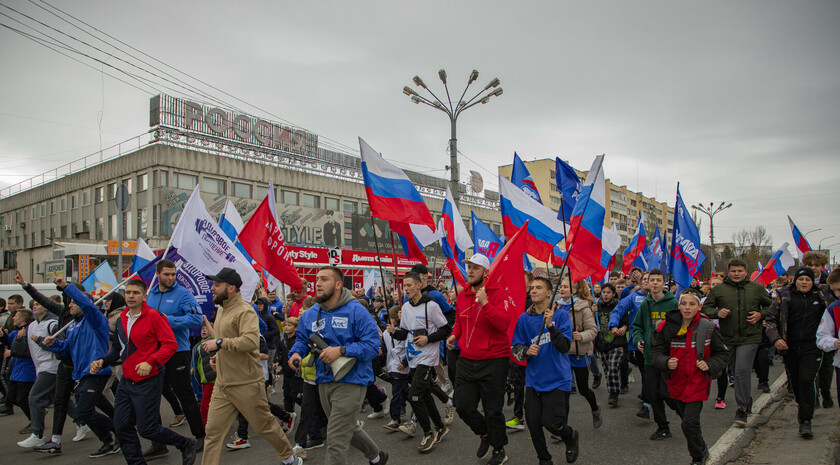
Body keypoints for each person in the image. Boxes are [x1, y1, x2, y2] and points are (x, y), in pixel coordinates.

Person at [195, 268, 300, 465]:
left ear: (231, 288)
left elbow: (250, 342)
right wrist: (219, 356)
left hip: (246, 383)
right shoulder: (222, 310)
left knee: (265, 426)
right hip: (223, 384)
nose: (212, 288)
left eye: (217, 285)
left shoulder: (245, 311)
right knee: (213, 433)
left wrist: (219, 344)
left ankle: (289, 457)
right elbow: (227, 343)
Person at [91, 278, 197, 465]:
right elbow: (118, 348)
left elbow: (170, 344)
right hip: (127, 380)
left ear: (145, 296)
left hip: (149, 379)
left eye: (136, 293)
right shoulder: (123, 317)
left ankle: (185, 443)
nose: (131, 296)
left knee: (147, 429)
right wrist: (102, 360)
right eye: (128, 293)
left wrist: (151, 361)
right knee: (121, 425)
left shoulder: (155, 317)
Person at [288, 266, 387, 465]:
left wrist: (341, 350)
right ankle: (377, 457)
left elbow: (372, 346)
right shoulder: (310, 314)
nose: (317, 283)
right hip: (323, 380)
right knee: (346, 427)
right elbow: (301, 339)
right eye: (317, 279)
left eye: (324, 279)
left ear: (339, 285)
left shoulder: (356, 311)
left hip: (352, 379)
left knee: (335, 437)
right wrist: (296, 353)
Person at [35, 277, 118, 456]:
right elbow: (66, 348)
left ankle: (120, 430)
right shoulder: (74, 326)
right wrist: (51, 343)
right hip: (81, 374)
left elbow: (87, 305)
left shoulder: (95, 320)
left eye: (73, 302)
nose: (69, 306)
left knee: (84, 412)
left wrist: (66, 287)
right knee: (86, 412)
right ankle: (109, 441)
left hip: (96, 372)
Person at [446, 253, 513, 465]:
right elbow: (460, 320)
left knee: (493, 410)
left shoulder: (498, 294)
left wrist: (485, 303)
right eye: (469, 267)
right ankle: (486, 434)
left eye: (475, 268)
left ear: (486, 273)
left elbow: (503, 324)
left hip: (494, 360)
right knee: (462, 405)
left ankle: (499, 449)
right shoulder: (463, 294)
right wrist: (455, 335)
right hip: (466, 359)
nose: (470, 271)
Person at [651, 289, 729, 464]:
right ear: (678, 306)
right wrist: (665, 362)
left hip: (697, 382)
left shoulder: (708, 327)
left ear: (699, 307)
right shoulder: (666, 326)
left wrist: (709, 364)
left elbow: (723, 355)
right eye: (684, 304)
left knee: (689, 423)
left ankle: (697, 459)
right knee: (687, 421)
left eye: (692, 304)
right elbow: (656, 352)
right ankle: (702, 449)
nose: (687, 308)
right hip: (675, 383)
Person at [511, 276, 579, 464]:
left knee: (553, 423)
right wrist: (526, 351)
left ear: (549, 293)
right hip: (534, 380)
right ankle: (544, 459)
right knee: (533, 423)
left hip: (558, 379)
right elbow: (515, 348)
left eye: (538, 288)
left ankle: (570, 436)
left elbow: (565, 346)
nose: (533, 290)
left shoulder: (561, 316)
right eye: (531, 287)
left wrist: (550, 326)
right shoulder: (523, 319)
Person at [702, 258, 773, 427]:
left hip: (750, 336)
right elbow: (706, 309)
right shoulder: (720, 289)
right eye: (733, 271)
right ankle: (746, 400)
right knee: (731, 370)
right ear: (728, 272)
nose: (736, 274)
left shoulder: (756, 288)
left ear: (746, 272)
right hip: (727, 337)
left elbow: (773, 305)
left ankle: (741, 407)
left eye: (740, 271)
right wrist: (718, 312)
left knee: (742, 370)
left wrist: (760, 314)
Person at [146, 259, 205, 457]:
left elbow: (197, 318)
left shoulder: (183, 294)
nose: (171, 278)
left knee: (185, 394)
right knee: (153, 395)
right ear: (158, 275)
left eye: (173, 274)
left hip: (177, 351)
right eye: (166, 275)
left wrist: (165, 320)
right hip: (154, 352)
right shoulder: (151, 295)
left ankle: (200, 436)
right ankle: (158, 442)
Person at [766, 267, 831, 438]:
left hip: (813, 346)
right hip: (790, 347)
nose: (804, 283)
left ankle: (805, 420)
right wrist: (776, 339)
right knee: (796, 383)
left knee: (806, 380)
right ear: (796, 280)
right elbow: (770, 319)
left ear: (812, 282)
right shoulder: (784, 296)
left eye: (808, 280)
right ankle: (802, 407)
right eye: (801, 279)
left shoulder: (821, 297)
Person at [391, 271, 451, 452]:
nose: (405, 288)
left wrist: (428, 339)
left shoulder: (431, 306)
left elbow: (445, 329)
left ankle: (428, 433)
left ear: (419, 285)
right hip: (413, 358)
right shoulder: (406, 308)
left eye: (409, 285)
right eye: (404, 285)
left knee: (414, 396)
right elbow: (404, 333)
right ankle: (440, 427)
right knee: (424, 395)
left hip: (428, 357)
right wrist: (394, 331)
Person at [632, 268, 679, 440]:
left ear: (663, 283)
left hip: (667, 355)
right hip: (649, 356)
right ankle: (663, 427)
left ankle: (686, 417)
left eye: (658, 280)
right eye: (652, 280)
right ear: (648, 282)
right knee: (653, 393)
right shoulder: (646, 304)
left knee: (667, 393)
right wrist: (638, 340)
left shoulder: (673, 303)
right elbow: (637, 326)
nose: (655, 283)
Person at [16, 290, 60, 449]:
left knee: (34, 397)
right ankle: (83, 422)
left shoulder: (53, 324)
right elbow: (23, 350)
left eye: (38, 304)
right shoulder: (32, 325)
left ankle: (37, 434)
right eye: (33, 304)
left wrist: (42, 341)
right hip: (40, 367)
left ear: (47, 307)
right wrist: (19, 338)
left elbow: (59, 346)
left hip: (52, 366)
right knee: (61, 400)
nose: (34, 306)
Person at [559, 279, 601, 428]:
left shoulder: (583, 308)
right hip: (562, 355)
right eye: (561, 286)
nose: (562, 289)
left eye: (565, 287)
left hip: (578, 354)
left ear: (574, 290)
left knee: (583, 389)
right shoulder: (556, 307)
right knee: (563, 392)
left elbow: (593, 330)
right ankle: (562, 425)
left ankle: (595, 409)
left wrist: (581, 336)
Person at [803, 251, 836, 407]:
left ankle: (826, 392)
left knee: (826, 366)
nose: (813, 268)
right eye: (810, 265)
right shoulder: (801, 282)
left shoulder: (830, 285)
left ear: (823, 267)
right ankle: (813, 397)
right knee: (811, 368)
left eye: (817, 265)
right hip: (808, 331)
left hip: (826, 330)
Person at [1, 308, 35, 426]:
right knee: (11, 398)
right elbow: (7, 340)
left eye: (16, 316)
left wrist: (13, 353)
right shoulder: (16, 332)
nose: (13, 317)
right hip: (16, 369)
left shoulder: (28, 332)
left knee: (21, 398)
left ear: (22, 319)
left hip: (26, 370)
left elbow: (30, 354)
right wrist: (2, 335)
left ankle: (34, 420)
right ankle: (36, 414)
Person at [381, 306, 410, 433]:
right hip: (391, 366)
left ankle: (395, 419)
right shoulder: (386, 332)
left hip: (401, 366)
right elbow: (386, 347)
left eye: (392, 318)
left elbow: (409, 348)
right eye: (388, 318)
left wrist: (405, 362)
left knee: (396, 393)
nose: (390, 320)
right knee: (406, 391)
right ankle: (420, 407)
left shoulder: (404, 332)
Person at [596, 283, 624, 407]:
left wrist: (623, 327)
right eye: (603, 292)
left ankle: (614, 394)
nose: (605, 295)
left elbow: (625, 321)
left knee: (613, 367)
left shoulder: (619, 306)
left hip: (616, 342)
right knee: (607, 369)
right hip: (602, 342)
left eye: (608, 292)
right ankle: (612, 387)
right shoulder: (597, 307)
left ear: (613, 294)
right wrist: (591, 311)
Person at [816, 269, 840, 411]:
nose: (837, 294)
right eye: (834, 291)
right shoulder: (834, 309)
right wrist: (834, 343)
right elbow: (821, 337)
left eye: (839, 290)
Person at [192, 316, 216, 425]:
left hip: (212, 379)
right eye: (202, 329)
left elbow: (215, 336)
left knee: (204, 405)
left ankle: (205, 426)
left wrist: (206, 320)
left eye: (206, 328)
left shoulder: (212, 342)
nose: (204, 330)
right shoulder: (198, 344)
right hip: (204, 379)